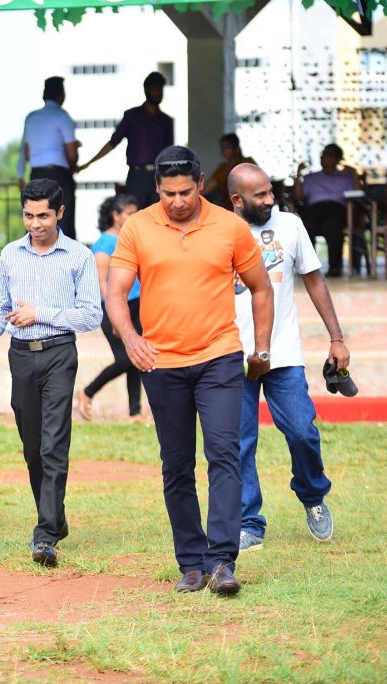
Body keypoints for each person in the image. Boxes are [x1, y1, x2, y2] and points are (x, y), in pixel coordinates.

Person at [106, 145, 274, 596]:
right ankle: (192, 563)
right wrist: (131, 339)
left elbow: (261, 288)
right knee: (177, 464)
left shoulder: (230, 226)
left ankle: (222, 561)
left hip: (220, 357)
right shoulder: (138, 227)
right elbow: (116, 292)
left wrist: (261, 349)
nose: (177, 201)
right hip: (162, 363)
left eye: (185, 192)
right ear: (157, 188)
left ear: (201, 183)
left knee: (224, 454)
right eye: (168, 194)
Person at [0, 178, 101, 568]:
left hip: (60, 353)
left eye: (43, 216)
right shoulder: (10, 255)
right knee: (32, 447)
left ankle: (45, 535)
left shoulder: (79, 256)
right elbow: (0, 308)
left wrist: (40, 313)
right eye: (28, 216)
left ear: (60, 212)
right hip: (21, 357)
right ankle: (55, 518)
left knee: (53, 445)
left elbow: (91, 315)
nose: (35, 224)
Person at [228, 163, 349, 552]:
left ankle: (313, 495)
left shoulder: (291, 226)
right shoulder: (218, 230)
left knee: (301, 431)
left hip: (282, 351)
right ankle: (249, 523)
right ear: (237, 200)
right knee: (239, 443)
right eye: (260, 195)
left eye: (270, 191)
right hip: (232, 354)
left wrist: (336, 338)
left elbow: (314, 279)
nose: (270, 200)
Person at [78, 194, 143, 421]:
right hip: (115, 308)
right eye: (129, 214)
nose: (134, 217)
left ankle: (135, 412)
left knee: (136, 359)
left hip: (136, 304)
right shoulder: (104, 244)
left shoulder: (132, 238)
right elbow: (102, 283)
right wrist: (116, 316)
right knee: (126, 359)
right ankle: (88, 391)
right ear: (116, 215)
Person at [77, 72, 174, 209]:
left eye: (160, 89)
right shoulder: (132, 116)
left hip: (159, 177)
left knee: (159, 217)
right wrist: (88, 163)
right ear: (146, 90)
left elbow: (170, 154)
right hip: (137, 175)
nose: (158, 93)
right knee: (134, 216)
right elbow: (113, 142)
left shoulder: (166, 121)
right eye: (155, 89)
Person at [16, 76, 81, 239]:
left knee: (35, 219)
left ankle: (32, 254)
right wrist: (74, 158)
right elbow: (72, 154)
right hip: (59, 176)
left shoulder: (31, 117)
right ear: (61, 95)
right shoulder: (62, 117)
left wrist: (20, 175)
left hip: (36, 175)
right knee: (62, 220)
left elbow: (25, 151)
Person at [292, 143, 361, 278]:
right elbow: (298, 198)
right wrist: (298, 175)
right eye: (322, 154)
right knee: (306, 225)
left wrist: (354, 174)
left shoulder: (346, 176)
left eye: (328, 155)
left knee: (332, 225)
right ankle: (307, 268)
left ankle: (334, 267)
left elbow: (358, 194)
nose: (323, 158)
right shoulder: (311, 177)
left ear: (337, 159)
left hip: (336, 208)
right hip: (314, 209)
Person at [203, 133, 255, 210]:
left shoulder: (248, 163)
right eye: (222, 147)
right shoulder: (223, 168)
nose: (223, 151)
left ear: (236, 148)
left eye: (227, 147)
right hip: (228, 207)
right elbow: (208, 187)